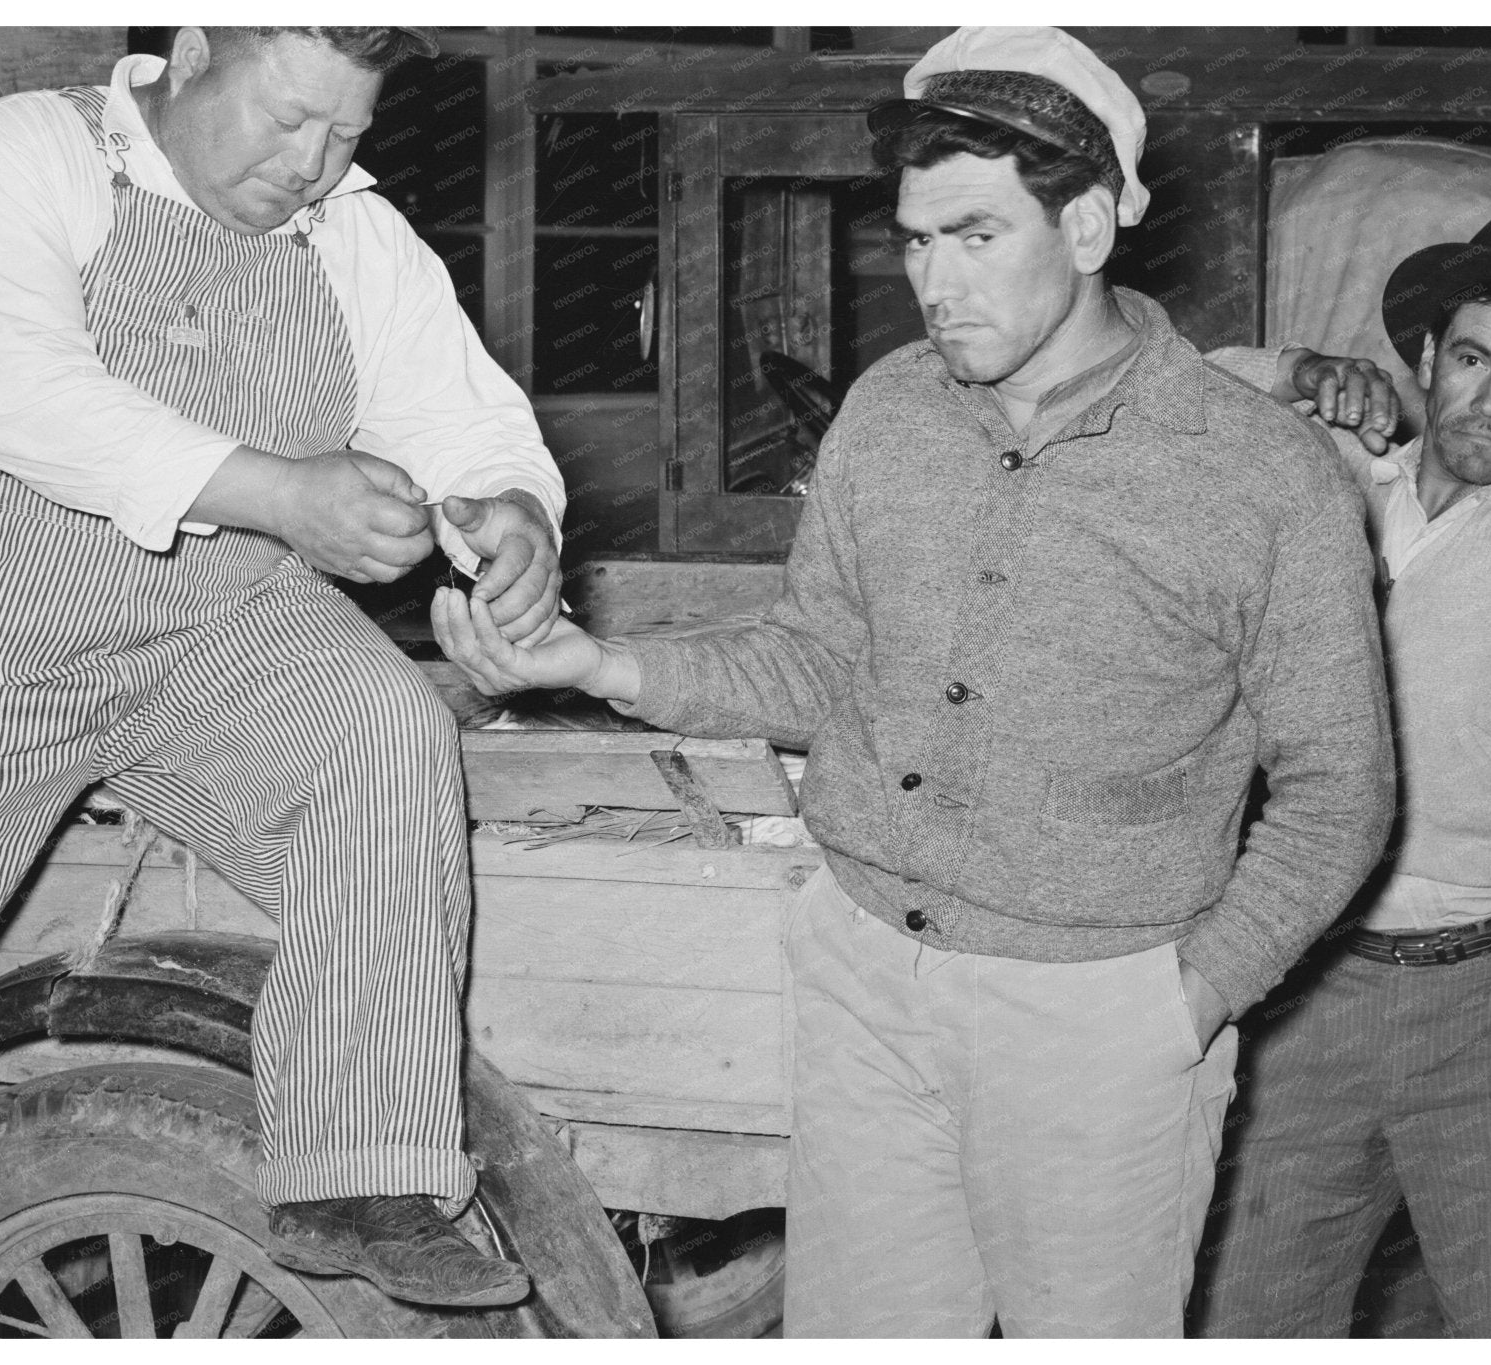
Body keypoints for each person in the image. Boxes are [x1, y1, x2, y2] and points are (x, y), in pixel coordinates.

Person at [434, 25, 1395, 1339]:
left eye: (978, 235)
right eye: (916, 240)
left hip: (1095, 1021)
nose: (934, 281)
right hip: (864, 981)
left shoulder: (1259, 472)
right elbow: (822, 656)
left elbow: (1342, 788)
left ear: (1096, 224)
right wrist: (598, 664)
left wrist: (1188, 996)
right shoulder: (889, 409)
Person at [0, 25, 566, 1309]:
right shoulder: (30, 152)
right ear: (193, 47)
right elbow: (25, 400)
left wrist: (514, 516)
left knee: (379, 726)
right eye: (284, 117)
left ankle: (361, 1168)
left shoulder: (353, 235)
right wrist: (284, 493)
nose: (309, 164)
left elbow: (470, 424)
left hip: (212, 629)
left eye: (346, 135)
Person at [1196, 202, 1491, 1338]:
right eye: (1472, 360)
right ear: (1425, 357)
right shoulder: (1328, 475)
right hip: (1301, 986)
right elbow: (1148, 397)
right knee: (1242, 1318)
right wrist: (1294, 369)